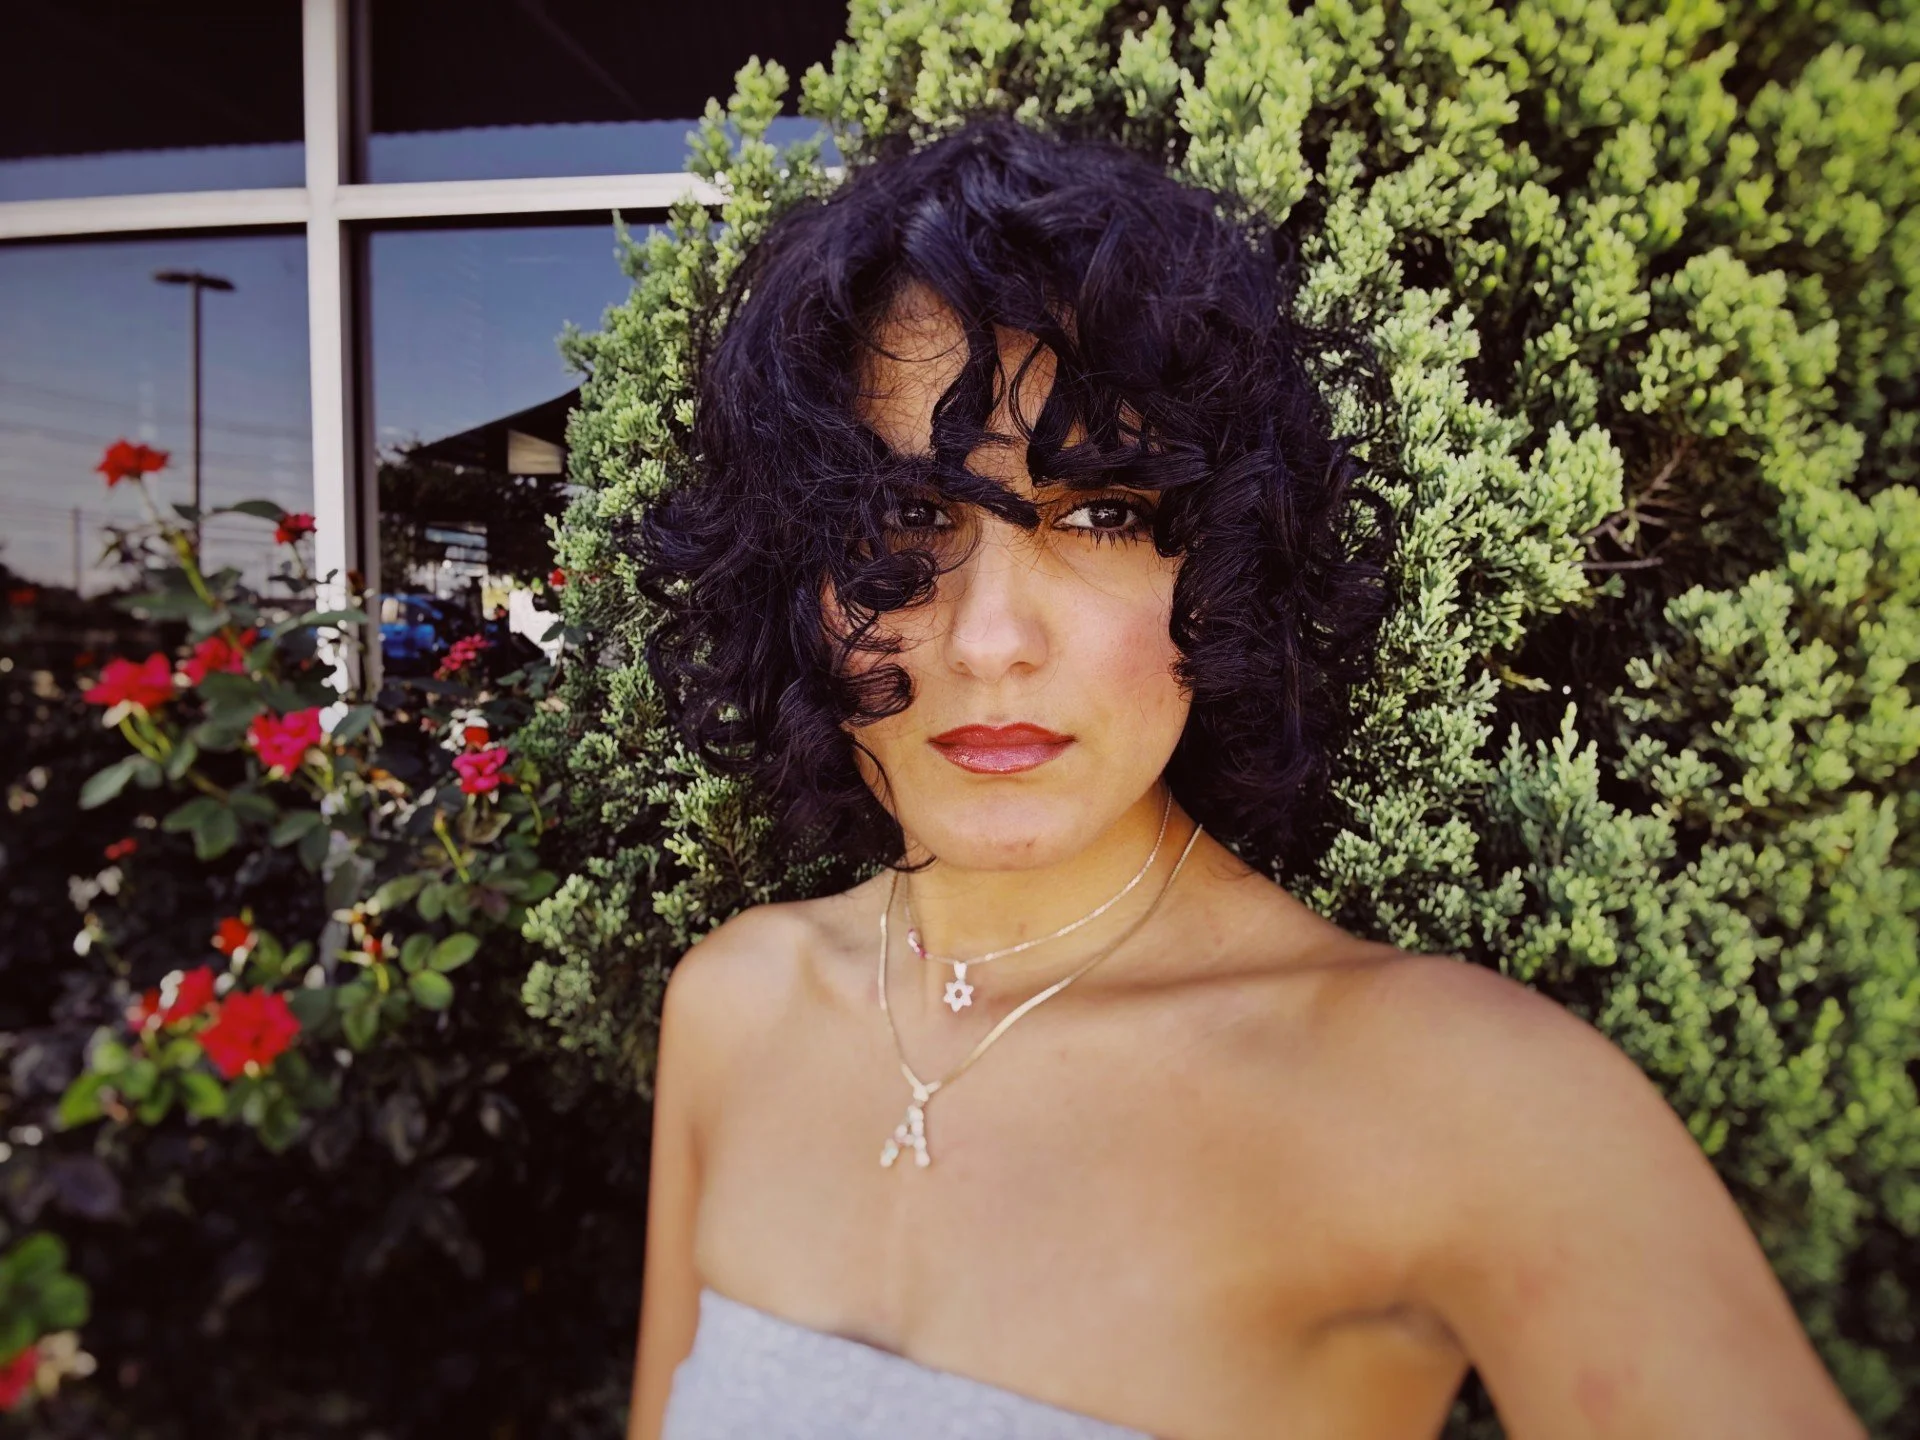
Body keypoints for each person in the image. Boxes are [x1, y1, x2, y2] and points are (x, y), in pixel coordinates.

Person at [623, 116, 1865, 1439]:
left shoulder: (1465, 1105)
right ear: (797, 576)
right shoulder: (736, 1011)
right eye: (907, 516)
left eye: (1102, 514)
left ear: (1219, 568)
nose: (990, 642)